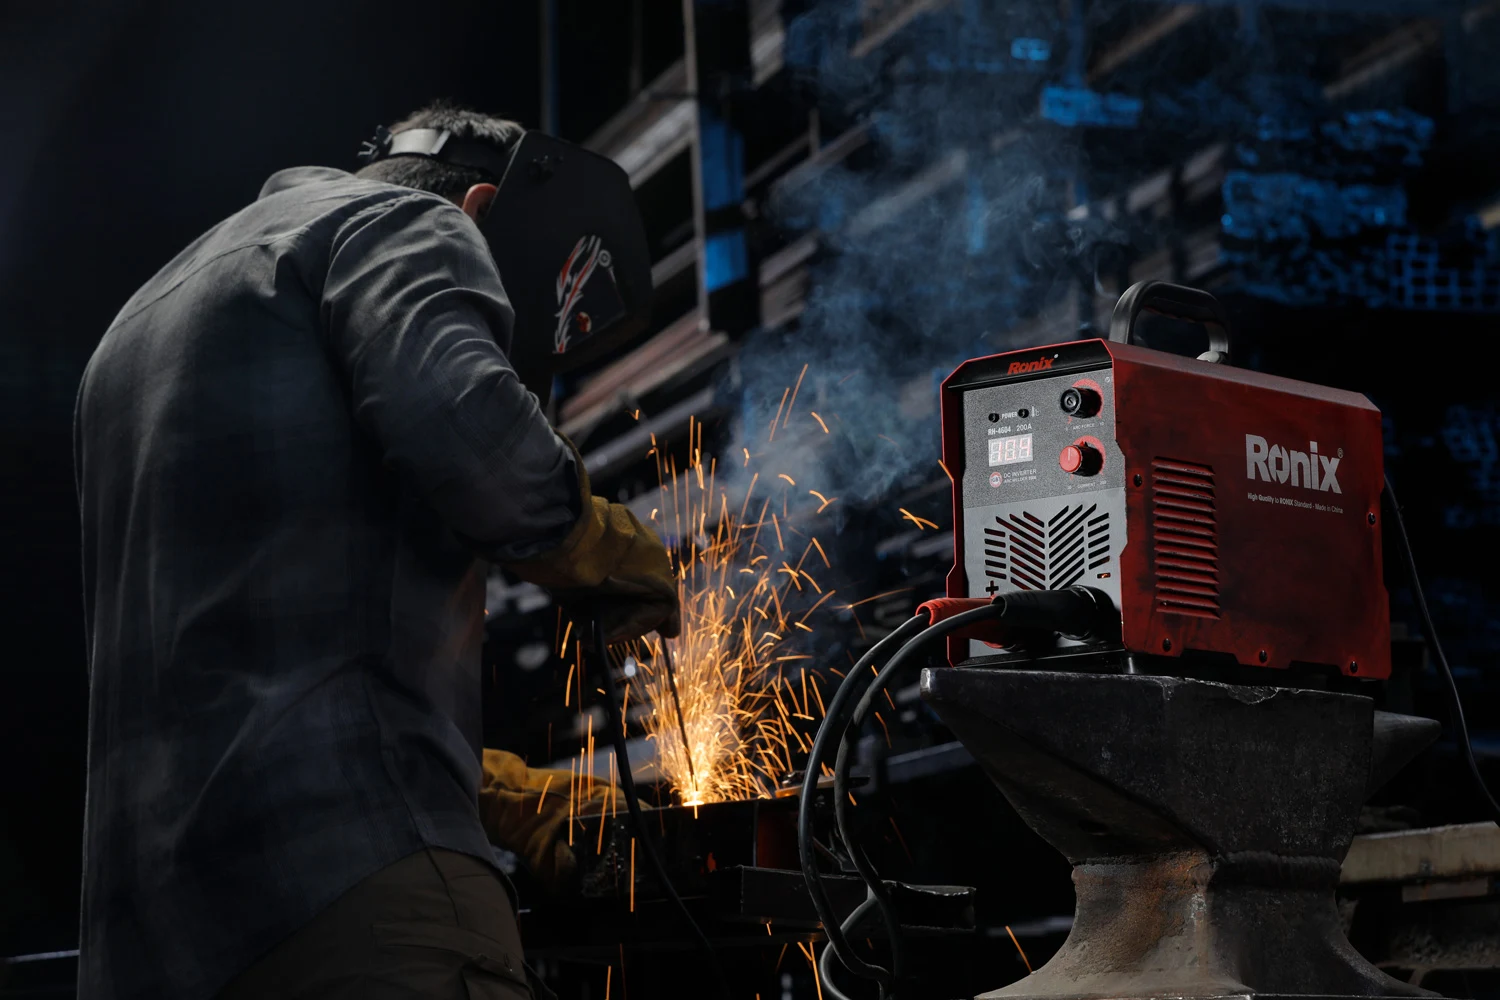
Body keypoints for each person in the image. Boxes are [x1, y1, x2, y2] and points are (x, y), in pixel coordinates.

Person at [72, 102, 679, 1000]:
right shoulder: (408, 224)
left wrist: (502, 795)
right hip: (357, 907)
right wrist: (603, 544)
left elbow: (253, 677)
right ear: (478, 209)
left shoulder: (139, 323)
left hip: (151, 942)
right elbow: (477, 441)